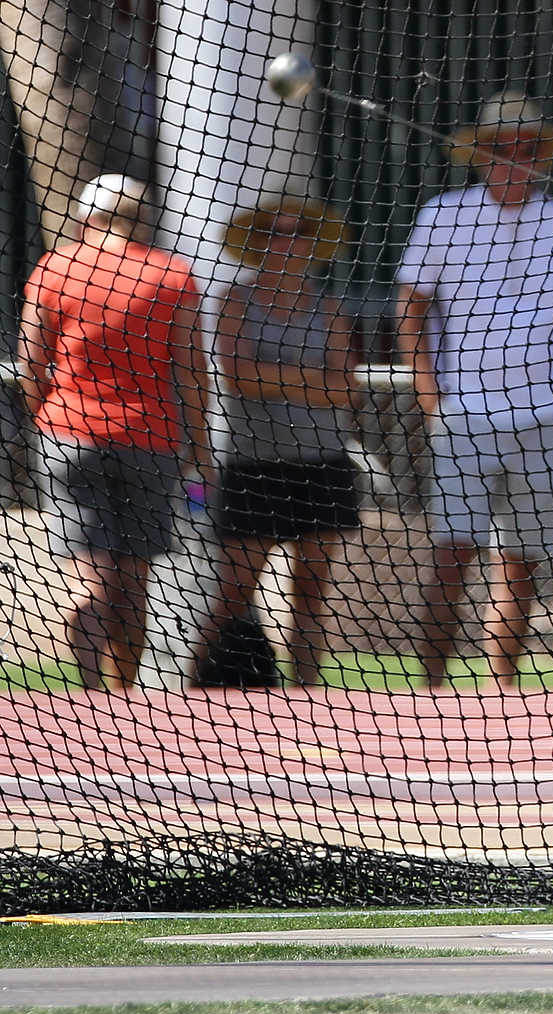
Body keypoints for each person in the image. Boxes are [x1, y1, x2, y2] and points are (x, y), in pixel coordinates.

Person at [397, 89, 553, 689]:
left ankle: (501, 697)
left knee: (520, 562)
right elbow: (409, 307)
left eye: (527, 148)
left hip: (546, 415)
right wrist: (428, 393)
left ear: (542, 156)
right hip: (462, 417)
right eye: (501, 147)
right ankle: (429, 691)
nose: (514, 157)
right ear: (481, 153)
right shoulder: (442, 214)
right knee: (451, 556)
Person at [17, 174, 213, 690]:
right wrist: (203, 450)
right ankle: (125, 705)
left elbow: (31, 362)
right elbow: (191, 369)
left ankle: (86, 699)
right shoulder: (172, 275)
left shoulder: (54, 268)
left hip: (69, 433)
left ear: (86, 217)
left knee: (89, 574)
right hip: (151, 438)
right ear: (143, 217)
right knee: (132, 579)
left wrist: (43, 418)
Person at [187, 192, 359, 688]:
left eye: (297, 232)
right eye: (276, 233)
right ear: (259, 243)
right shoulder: (234, 300)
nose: (288, 243)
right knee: (236, 591)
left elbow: (346, 389)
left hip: (323, 462)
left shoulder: (330, 306)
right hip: (251, 464)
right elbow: (238, 376)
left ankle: (307, 695)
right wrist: (312, 381)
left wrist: (280, 378)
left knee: (311, 591)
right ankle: (189, 700)